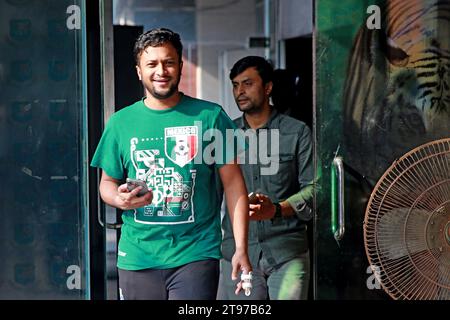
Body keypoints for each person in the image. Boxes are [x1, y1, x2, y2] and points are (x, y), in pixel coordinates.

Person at [91, 28, 252, 300]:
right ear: (139, 71)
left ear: (180, 65)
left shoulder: (210, 116)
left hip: (196, 252)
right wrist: (119, 200)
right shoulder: (120, 122)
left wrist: (241, 248)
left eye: (168, 62)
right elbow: (107, 183)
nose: (161, 71)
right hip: (138, 255)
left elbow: (235, 185)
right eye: (151, 64)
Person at [218, 56, 314, 300]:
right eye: (235, 85)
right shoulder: (226, 135)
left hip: (286, 253)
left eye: (247, 84)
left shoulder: (297, 132)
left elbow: (315, 189)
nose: (240, 91)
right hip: (238, 255)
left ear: (268, 87)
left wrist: (277, 209)